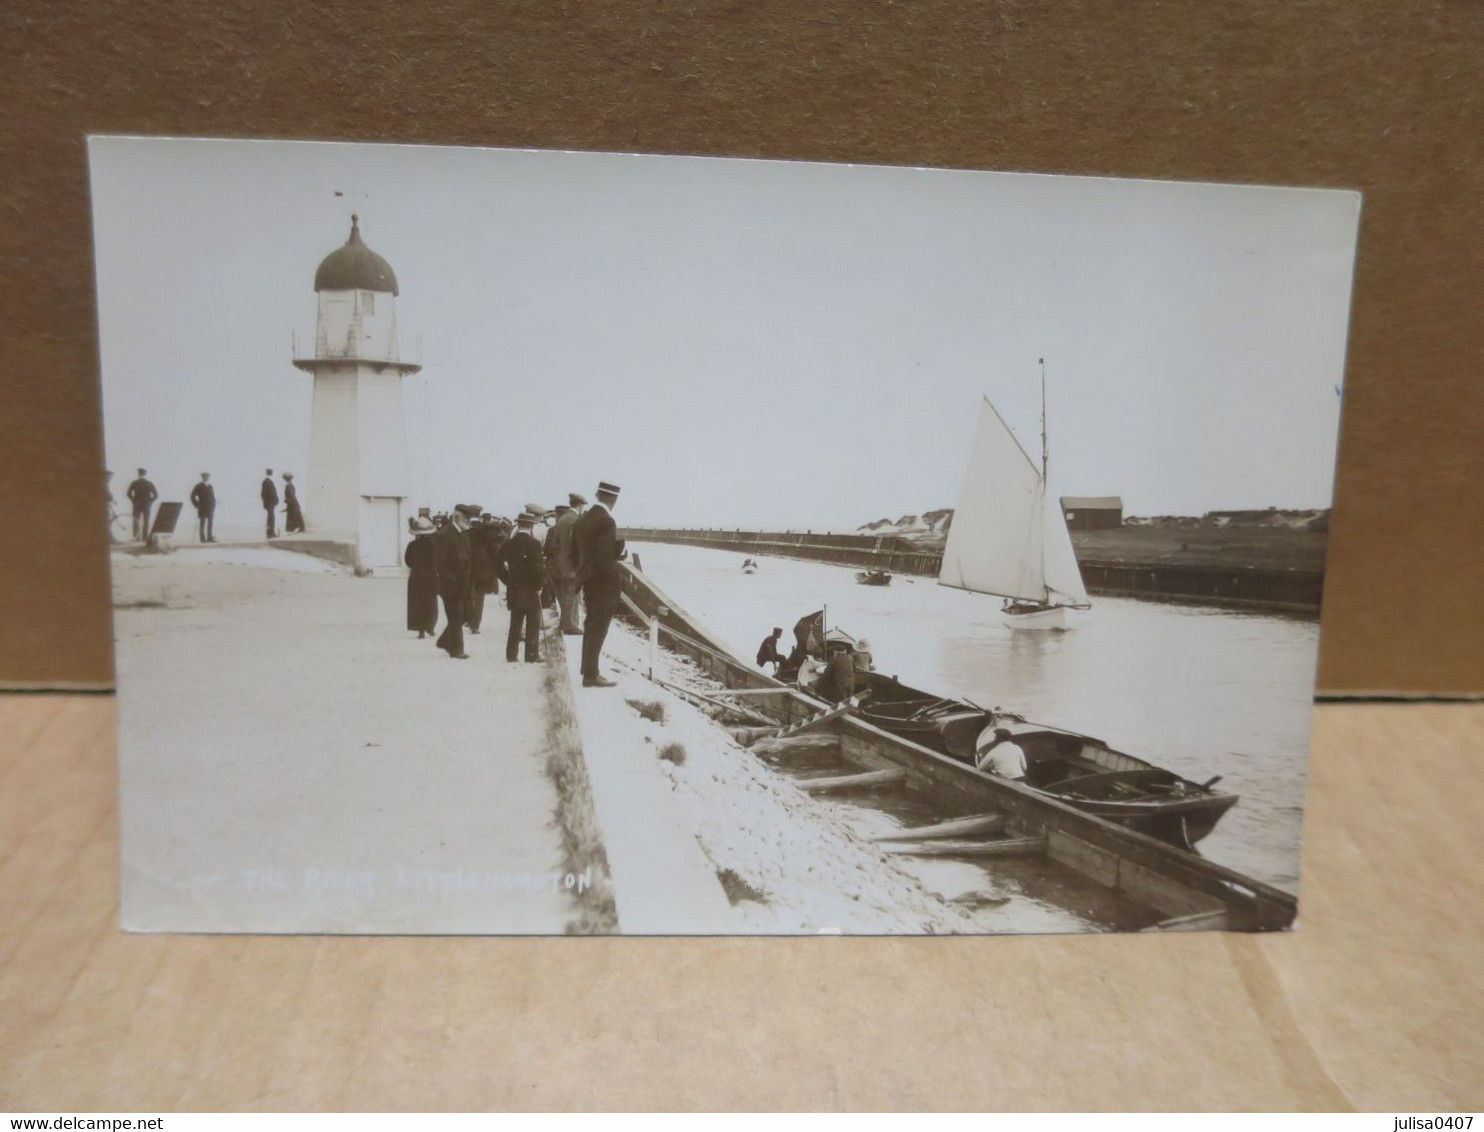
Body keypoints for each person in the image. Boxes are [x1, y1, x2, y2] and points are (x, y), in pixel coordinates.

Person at [572, 481, 624, 687]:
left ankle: (589, 671)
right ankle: (591, 675)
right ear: (615, 500)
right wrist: (617, 556)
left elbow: (574, 555)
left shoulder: (582, 519)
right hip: (604, 585)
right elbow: (604, 560)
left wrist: (582, 575)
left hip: (588, 582)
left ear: (596, 494)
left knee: (591, 625)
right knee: (598, 628)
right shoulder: (607, 522)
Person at [497, 511, 545, 663]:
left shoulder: (509, 544)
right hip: (531, 590)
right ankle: (531, 655)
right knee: (533, 623)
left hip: (515, 589)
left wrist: (508, 580)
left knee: (515, 623)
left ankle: (511, 655)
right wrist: (539, 586)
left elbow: (498, 566)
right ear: (531, 526)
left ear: (518, 525)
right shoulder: (535, 544)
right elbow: (537, 569)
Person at [433, 504, 475, 659]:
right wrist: (452, 580)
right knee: (456, 615)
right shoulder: (445, 534)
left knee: (463, 615)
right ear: (457, 517)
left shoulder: (463, 533)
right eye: (467, 518)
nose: (470, 521)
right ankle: (457, 650)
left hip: (464, 583)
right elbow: (440, 563)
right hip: (451, 584)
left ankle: (444, 641)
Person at [548, 493, 586, 634]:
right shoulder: (577, 520)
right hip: (572, 564)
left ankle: (567, 622)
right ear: (580, 505)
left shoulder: (562, 519)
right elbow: (578, 545)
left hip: (560, 563)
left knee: (566, 594)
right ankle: (569, 625)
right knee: (572, 594)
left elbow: (554, 544)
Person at [404, 516, 439, 639]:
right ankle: (430, 627)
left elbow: (408, 561)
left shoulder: (412, 545)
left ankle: (420, 630)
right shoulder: (434, 545)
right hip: (430, 576)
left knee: (417, 602)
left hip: (416, 576)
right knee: (431, 602)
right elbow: (436, 562)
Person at [466, 509, 499, 634]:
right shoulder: (488, 531)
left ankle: (469, 619)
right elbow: (494, 552)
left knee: (468, 595)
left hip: (469, 568)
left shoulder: (467, 532)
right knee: (480, 598)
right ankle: (475, 624)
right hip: (483, 570)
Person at [126, 468, 157, 541]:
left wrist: (133, 500)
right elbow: (156, 495)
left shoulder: (134, 483)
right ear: (145, 474)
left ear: (138, 474)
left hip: (137, 504)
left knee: (136, 520)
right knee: (146, 521)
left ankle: (136, 538)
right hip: (147, 505)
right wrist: (150, 502)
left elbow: (128, 493)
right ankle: (144, 538)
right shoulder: (149, 483)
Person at [189, 473, 216, 542]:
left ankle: (209, 538)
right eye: (204, 477)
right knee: (202, 523)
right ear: (202, 477)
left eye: (207, 477)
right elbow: (192, 496)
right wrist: (197, 505)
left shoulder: (210, 486)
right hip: (202, 508)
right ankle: (202, 539)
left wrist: (213, 506)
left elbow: (213, 498)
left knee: (210, 524)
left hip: (210, 508)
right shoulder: (198, 486)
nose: (206, 478)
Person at [260, 469, 279, 538]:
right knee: (271, 518)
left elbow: (263, 494)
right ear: (271, 473)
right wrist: (273, 501)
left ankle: (270, 532)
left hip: (269, 503)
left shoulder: (266, 481)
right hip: (270, 503)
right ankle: (271, 533)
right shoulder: (268, 482)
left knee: (271, 517)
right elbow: (269, 493)